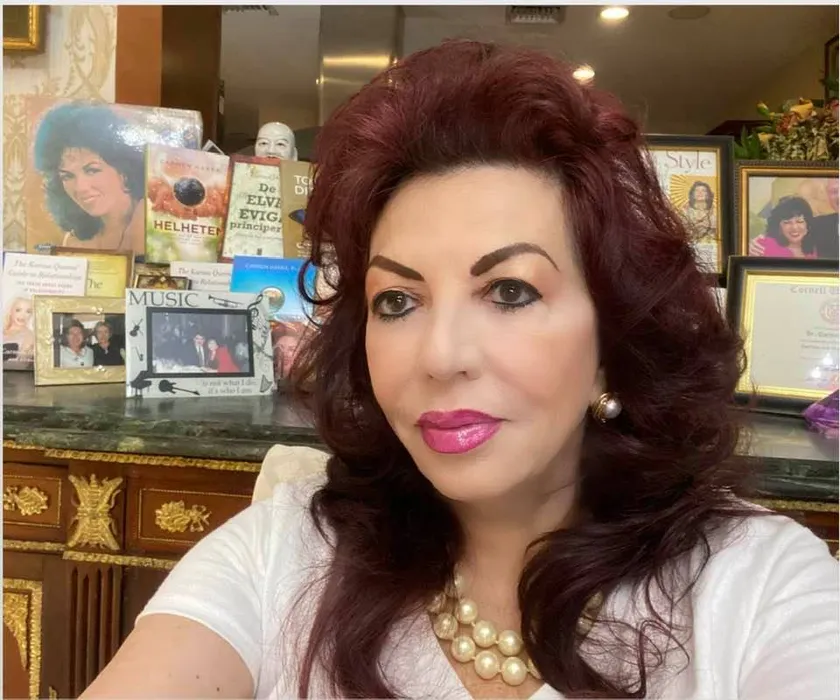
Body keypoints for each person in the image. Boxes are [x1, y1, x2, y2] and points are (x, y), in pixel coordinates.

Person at [81, 41, 838, 700]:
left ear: (614, 338)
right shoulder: (284, 553)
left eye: (509, 292)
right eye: (398, 301)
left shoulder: (755, 587)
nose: (440, 357)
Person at [32, 103, 145, 256]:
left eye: (92, 170)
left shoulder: (154, 220)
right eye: (67, 176)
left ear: (124, 169)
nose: (80, 187)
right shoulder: (74, 241)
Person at [751, 178, 839, 259]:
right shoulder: (821, 224)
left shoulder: (810, 248)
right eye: (834, 191)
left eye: (799, 221)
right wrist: (753, 245)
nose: (795, 227)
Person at [751, 196, 817, 259]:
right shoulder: (762, 246)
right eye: (787, 222)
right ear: (778, 225)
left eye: (799, 221)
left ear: (807, 224)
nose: (794, 227)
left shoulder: (813, 249)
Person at [2, 296, 35, 364]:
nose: (23, 315)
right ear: (10, 311)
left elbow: (21, 363)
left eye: (28, 312)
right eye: (18, 310)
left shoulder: (29, 335)